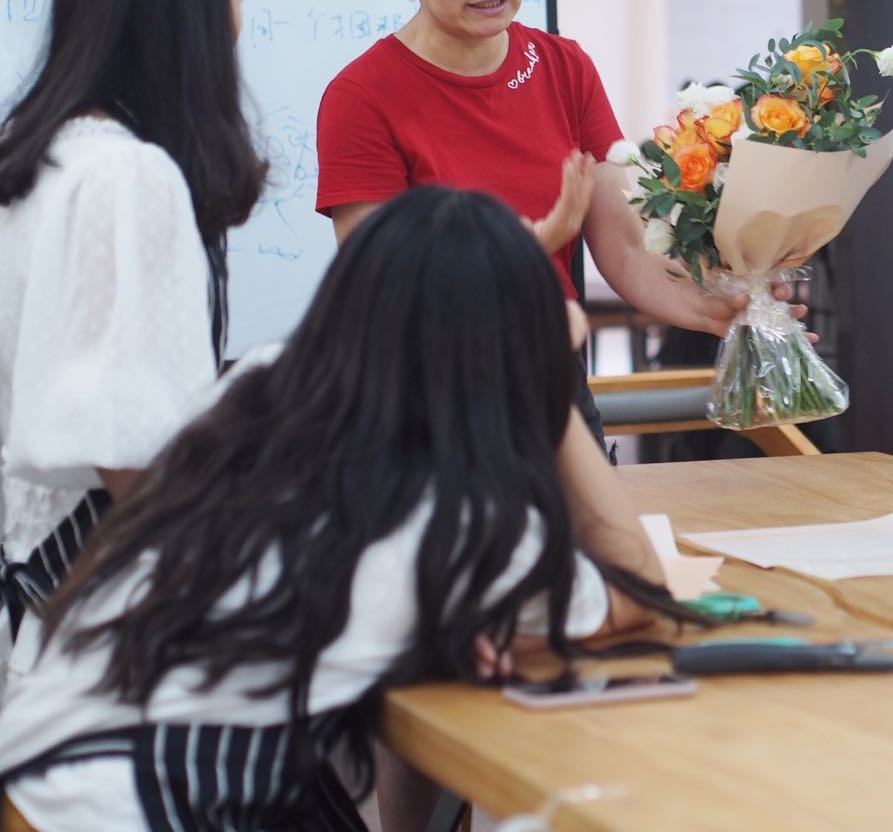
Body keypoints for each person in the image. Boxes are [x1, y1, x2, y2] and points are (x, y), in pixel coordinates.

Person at [0, 188, 690, 829]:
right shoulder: (452, 521)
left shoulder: (256, 387)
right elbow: (639, 588)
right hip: (140, 805)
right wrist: (552, 367)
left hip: (37, 767)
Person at [314, 0, 805, 449]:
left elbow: (624, 248)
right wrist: (529, 245)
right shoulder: (362, 95)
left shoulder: (563, 68)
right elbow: (382, 286)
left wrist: (714, 306)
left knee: (597, 543)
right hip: (431, 392)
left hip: (553, 376)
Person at [0, 0, 267, 667]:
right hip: (105, 596)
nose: (240, 15)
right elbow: (125, 445)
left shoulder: (36, 152)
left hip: (42, 587)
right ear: (190, 6)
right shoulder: (127, 173)